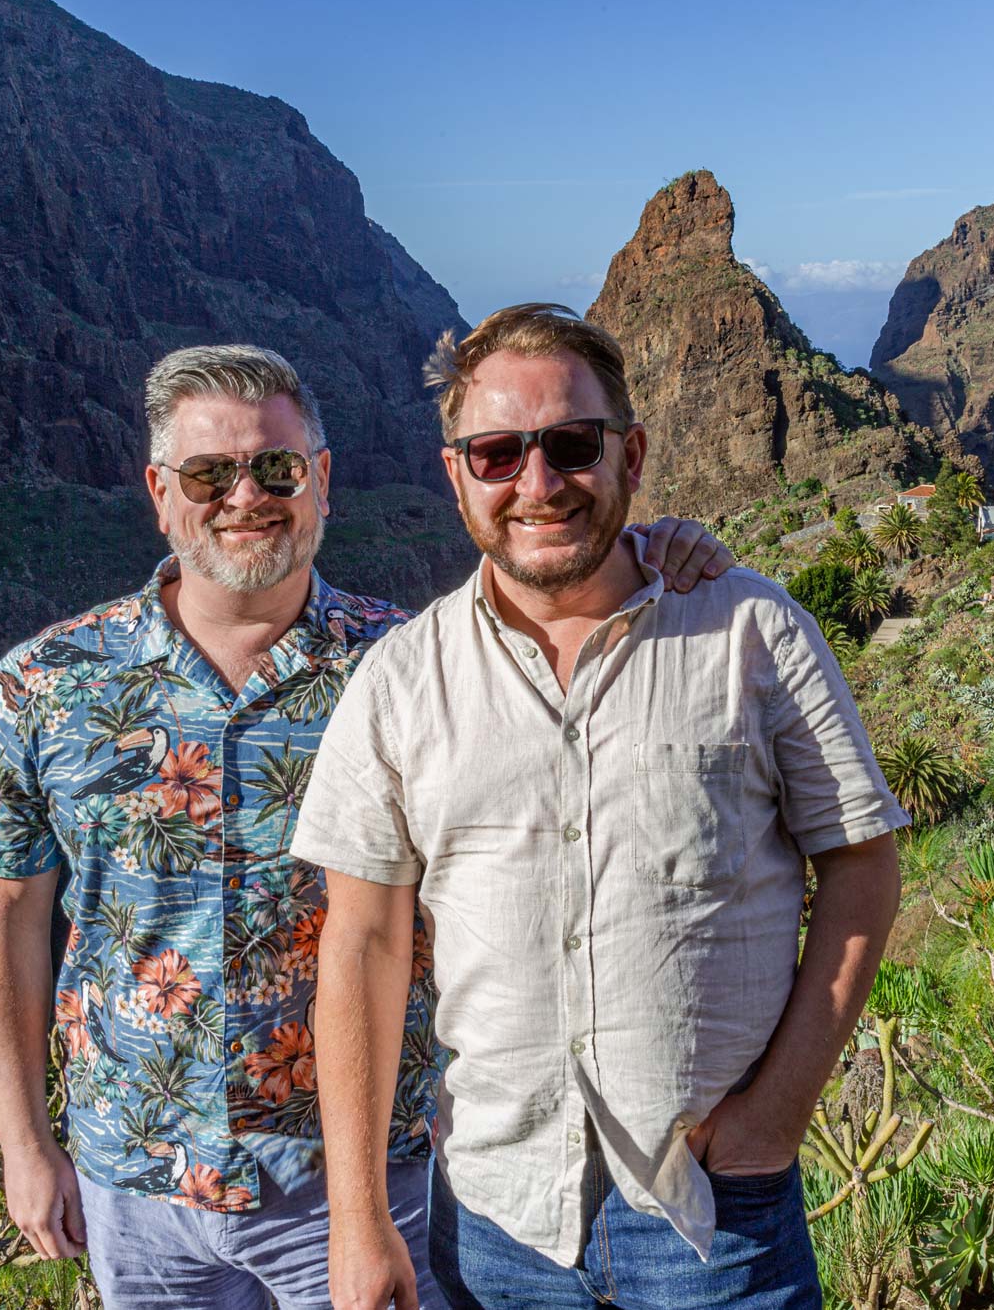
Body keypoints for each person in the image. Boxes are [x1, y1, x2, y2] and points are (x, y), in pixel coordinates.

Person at [0, 341, 733, 1309]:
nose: (246, 495)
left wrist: (654, 552)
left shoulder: (412, 667)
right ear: (160, 492)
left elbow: (562, 614)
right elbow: (7, 917)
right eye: (209, 473)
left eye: (275, 467)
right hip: (137, 1185)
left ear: (320, 480)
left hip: (372, 1182)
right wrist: (22, 1138)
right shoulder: (43, 685)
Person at [297, 304, 906, 1310]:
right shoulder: (399, 682)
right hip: (495, 1218)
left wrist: (776, 1117)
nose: (536, 485)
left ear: (630, 453)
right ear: (455, 473)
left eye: (569, 446)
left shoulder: (751, 631)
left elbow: (862, 869)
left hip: (715, 1206)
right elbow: (359, 943)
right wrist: (358, 1221)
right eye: (496, 453)